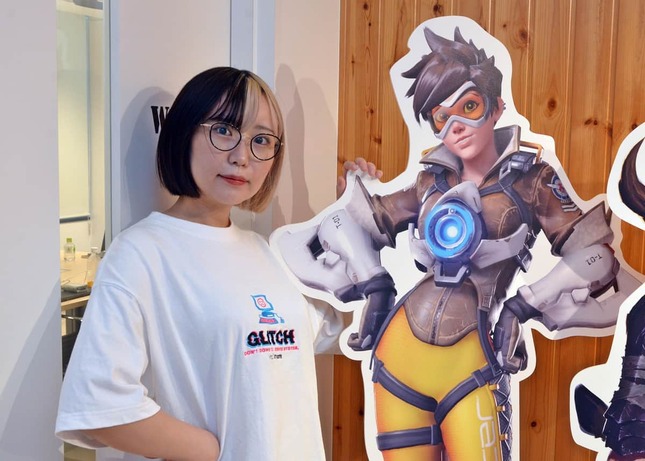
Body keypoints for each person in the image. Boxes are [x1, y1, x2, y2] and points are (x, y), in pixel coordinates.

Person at [276, 26, 634, 461]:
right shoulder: (430, 180)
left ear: (496, 106)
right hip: (399, 354)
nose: (457, 127)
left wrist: (525, 305)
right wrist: (374, 283)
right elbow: (334, 223)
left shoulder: (532, 180)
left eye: (469, 106)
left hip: (473, 358)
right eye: (442, 117)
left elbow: (596, 257)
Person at [55, 66, 378, 461]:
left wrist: (359, 231)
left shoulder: (266, 251)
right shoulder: (140, 253)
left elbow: (340, 331)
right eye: (224, 130)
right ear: (183, 133)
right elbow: (98, 404)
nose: (242, 157)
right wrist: (211, 449)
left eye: (261, 140)